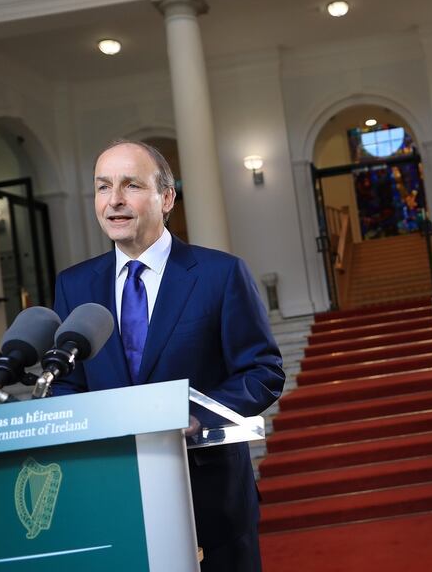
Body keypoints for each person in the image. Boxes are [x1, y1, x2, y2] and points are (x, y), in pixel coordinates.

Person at [52, 139, 285, 572]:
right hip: (112, 499)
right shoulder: (74, 286)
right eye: (103, 188)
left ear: (167, 197)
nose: (114, 201)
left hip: (210, 499)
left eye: (131, 185)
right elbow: (68, 381)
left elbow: (263, 371)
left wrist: (200, 416)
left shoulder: (220, 274)